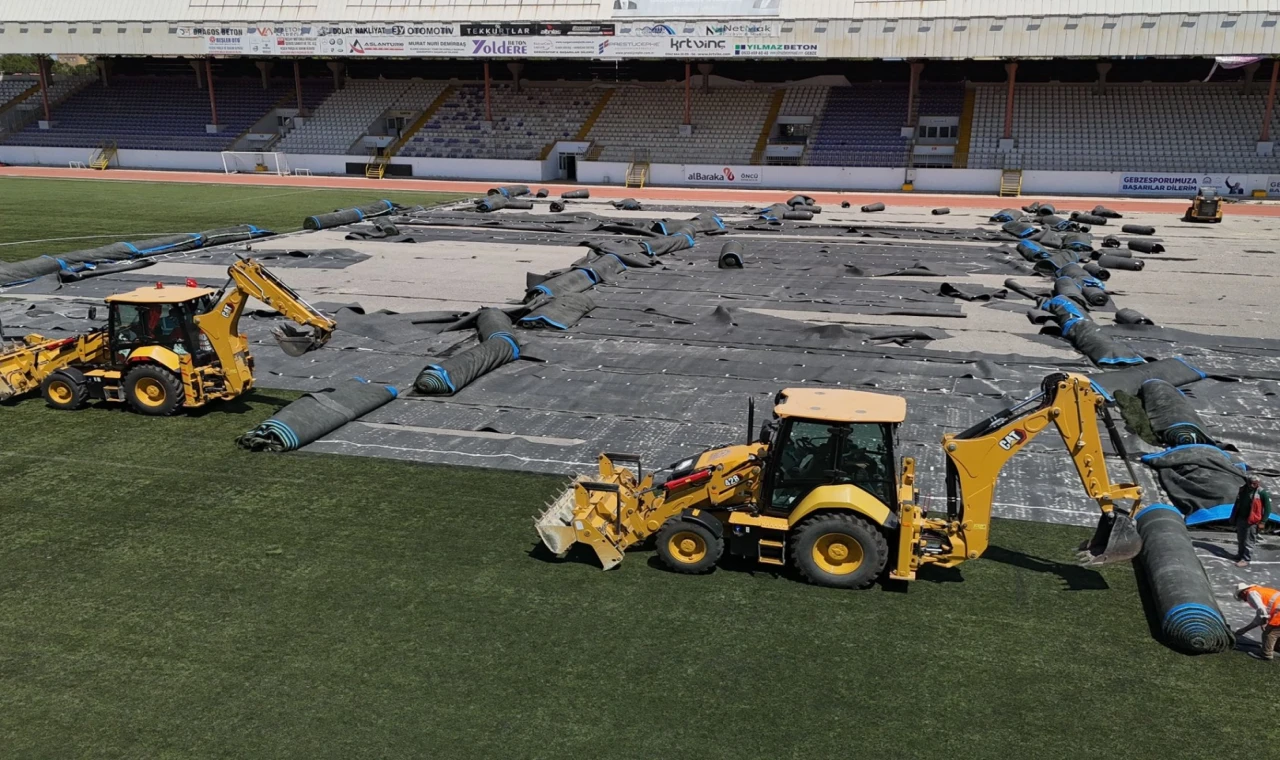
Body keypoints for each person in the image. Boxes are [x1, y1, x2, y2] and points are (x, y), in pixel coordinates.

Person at [1230, 476, 1271, 567]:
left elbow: (1268, 508)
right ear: (1247, 482)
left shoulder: (1261, 493)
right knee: (1241, 539)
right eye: (1251, 483)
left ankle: (1246, 559)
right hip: (1241, 518)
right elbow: (1237, 503)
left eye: (1255, 483)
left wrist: (1263, 522)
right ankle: (1240, 555)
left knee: (1249, 540)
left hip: (1252, 521)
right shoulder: (1243, 490)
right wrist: (1233, 517)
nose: (1253, 485)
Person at [1235, 583, 1280, 661]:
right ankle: (1277, 647)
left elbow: (1261, 609)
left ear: (1243, 592)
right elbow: (1260, 616)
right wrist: (1245, 629)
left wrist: (1264, 621)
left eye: (1242, 597)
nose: (1244, 600)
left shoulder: (1251, 593)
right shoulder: (1261, 591)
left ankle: (1266, 654)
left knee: (1269, 634)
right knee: (1277, 632)